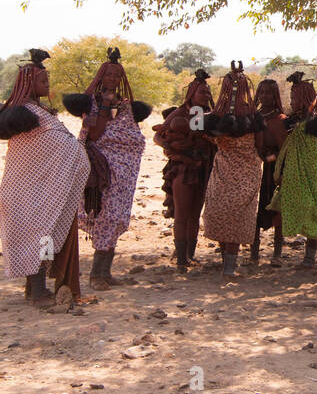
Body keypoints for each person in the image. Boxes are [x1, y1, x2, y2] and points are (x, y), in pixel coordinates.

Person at [0, 49, 89, 308]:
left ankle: (35, 288)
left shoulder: (41, 112)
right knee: (37, 236)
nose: (47, 84)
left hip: (42, 189)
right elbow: (51, 146)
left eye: (47, 80)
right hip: (27, 190)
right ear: (28, 83)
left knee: (45, 235)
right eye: (42, 80)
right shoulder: (28, 114)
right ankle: (38, 291)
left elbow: (58, 145)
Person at [62, 48, 152, 290]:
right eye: (108, 74)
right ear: (101, 77)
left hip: (125, 173)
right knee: (105, 216)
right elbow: (96, 133)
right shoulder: (91, 103)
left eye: (116, 75)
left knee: (117, 216)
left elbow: (129, 135)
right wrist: (103, 106)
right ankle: (96, 275)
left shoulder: (127, 106)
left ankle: (106, 272)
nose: (112, 79)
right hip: (101, 171)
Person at [268, 71, 317, 269]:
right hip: (302, 174)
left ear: (304, 98)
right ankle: (314, 258)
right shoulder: (293, 122)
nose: (291, 101)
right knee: (310, 212)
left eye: (295, 97)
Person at [203, 62, 263, 280]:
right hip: (243, 173)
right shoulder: (253, 117)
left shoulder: (216, 116)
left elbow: (197, 127)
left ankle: (227, 263)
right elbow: (262, 145)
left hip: (230, 172)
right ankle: (229, 265)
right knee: (235, 216)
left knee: (225, 213)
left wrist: (215, 139)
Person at [153, 70, 216, 273]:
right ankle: (181, 260)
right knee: (182, 213)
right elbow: (158, 137)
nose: (205, 96)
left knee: (195, 214)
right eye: (201, 92)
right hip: (182, 169)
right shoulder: (179, 113)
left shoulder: (210, 115)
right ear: (191, 93)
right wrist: (172, 149)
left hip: (203, 168)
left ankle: (190, 255)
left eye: (208, 92)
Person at [251, 78, 289, 266]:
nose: (265, 96)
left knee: (276, 209)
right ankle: (254, 253)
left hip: (274, 171)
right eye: (262, 92)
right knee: (254, 210)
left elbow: (284, 150)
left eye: (269, 92)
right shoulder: (252, 118)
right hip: (253, 169)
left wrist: (271, 159)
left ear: (276, 96)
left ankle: (277, 253)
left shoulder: (281, 121)